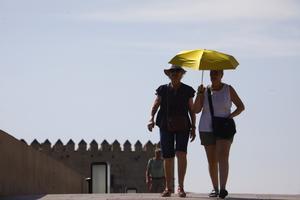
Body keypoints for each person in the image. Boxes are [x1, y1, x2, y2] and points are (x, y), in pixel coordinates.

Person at [193, 70, 245, 199]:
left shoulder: (228, 89)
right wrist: (199, 94)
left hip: (224, 127)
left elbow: (241, 106)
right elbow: (195, 110)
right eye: (211, 73)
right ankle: (215, 188)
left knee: (223, 155)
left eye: (216, 73)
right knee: (212, 161)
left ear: (222, 75)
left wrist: (230, 116)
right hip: (206, 127)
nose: (213, 76)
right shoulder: (204, 90)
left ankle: (223, 188)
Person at [147, 65, 196, 198]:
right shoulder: (162, 89)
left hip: (183, 125)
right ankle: (168, 188)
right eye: (172, 72)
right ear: (168, 74)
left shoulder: (187, 90)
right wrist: (151, 118)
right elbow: (156, 104)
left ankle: (180, 187)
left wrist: (194, 127)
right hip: (165, 124)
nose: (175, 74)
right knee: (167, 156)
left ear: (182, 74)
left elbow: (192, 109)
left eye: (178, 72)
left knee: (181, 154)